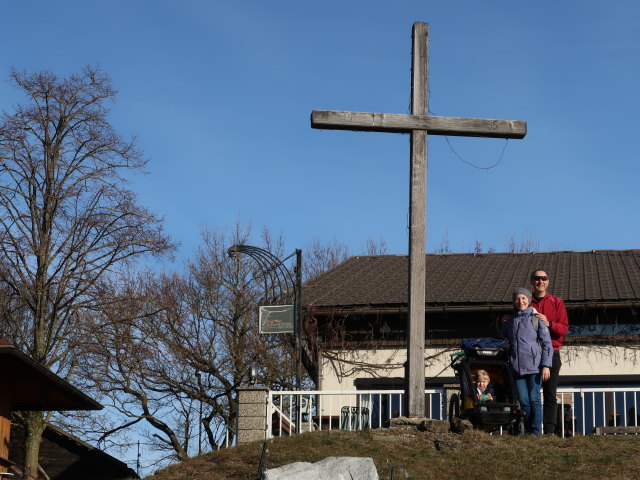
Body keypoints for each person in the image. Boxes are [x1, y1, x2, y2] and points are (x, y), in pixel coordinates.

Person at [501, 287, 553, 436]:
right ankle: (528, 429)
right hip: (516, 368)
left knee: (534, 399)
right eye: (517, 298)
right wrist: (502, 322)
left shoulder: (537, 318)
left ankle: (536, 432)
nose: (520, 301)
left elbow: (547, 344)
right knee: (523, 401)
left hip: (535, 367)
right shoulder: (510, 320)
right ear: (514, 301)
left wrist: (546, 365)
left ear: (529, 300)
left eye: (523, 298)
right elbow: (502, 338)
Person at [529, 269, 569, 435]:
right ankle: (533, 430)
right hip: (530, 354)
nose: (540, 281)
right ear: (532, 281)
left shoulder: (556, 302)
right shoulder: (525, 301)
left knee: (550, 394)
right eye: (537, 278)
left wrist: (549, 323)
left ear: (548, 282)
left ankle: (550, 431)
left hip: (552, 352)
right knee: (531, 394)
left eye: (543, 278)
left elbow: (564, 328)